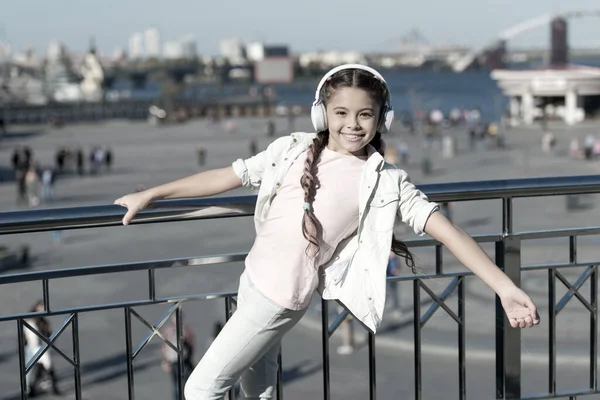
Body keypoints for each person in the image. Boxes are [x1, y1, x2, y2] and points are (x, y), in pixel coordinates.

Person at [114, 64, 540, 400]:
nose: (352, 124)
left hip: (279, 299)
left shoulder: (385, 180)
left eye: (364, 115)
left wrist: (504, 287)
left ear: (381, 120)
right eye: (341, 113)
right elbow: (229, 176)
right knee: (255, 389)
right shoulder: (292, 148)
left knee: (199, 389)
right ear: (323, 113)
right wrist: (153, 193)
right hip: (252, 281)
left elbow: (449, 232)